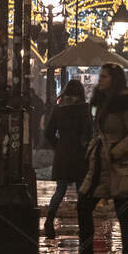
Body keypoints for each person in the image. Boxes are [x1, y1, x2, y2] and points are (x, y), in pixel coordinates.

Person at [76, 64, 128, 254]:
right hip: (100, 164)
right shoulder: (100, 101)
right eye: (100, 76)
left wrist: (116, 151)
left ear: (115, 79)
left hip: (118, 164)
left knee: (123, 211)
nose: (100, 79)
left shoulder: (126, 102)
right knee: (83, 205)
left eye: (104, 76)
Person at [43, 79, 91, 238]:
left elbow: (48, 133)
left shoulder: (59, 110)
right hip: (79, 155)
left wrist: (59, 146)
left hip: (62, 155)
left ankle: (49, 220)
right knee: (81, 192)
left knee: (60, 190)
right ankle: (83, 225)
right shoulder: (84, 109)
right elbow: (89, 132)